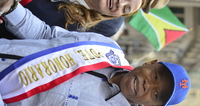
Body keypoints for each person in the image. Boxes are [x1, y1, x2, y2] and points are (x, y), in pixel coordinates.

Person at [0, 1, 190, 106]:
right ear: (151, 64)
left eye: (155, 95)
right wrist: (11, 9)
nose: (147, 85)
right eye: (155, 77)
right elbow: (46, 35)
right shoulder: (108, 47)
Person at [0, 0, 170, 39]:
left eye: (126, 9)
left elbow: (41, 38)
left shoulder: (78, 27)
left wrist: (10, 9)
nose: (120, 3)